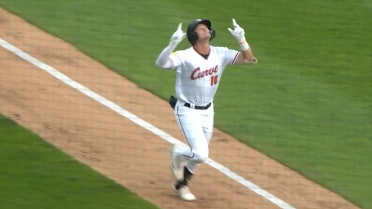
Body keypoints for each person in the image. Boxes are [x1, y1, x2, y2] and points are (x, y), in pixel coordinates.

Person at [155, 18, 257, 201]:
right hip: (187, 110)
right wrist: (172, 44)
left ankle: (182, 185)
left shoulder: (220, 53)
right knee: (201, 153)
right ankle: (178, 152)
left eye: (207, 28)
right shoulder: (185, 55)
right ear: (194, 35)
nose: (207, 30)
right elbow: (161, 64)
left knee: (198, 156)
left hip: (208, 110)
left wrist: (242, 40)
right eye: (202, 28)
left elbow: (248, 59)